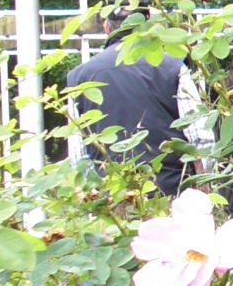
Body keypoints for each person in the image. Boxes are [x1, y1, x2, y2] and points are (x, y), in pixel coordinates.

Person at [67, 14, 188, 193]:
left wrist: (95, 196)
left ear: (106, 26)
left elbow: (79, 155)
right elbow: (200, 136)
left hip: (113, 195)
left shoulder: (79, 77)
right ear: (148, 26)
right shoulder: (174, 66)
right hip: (172, 192)